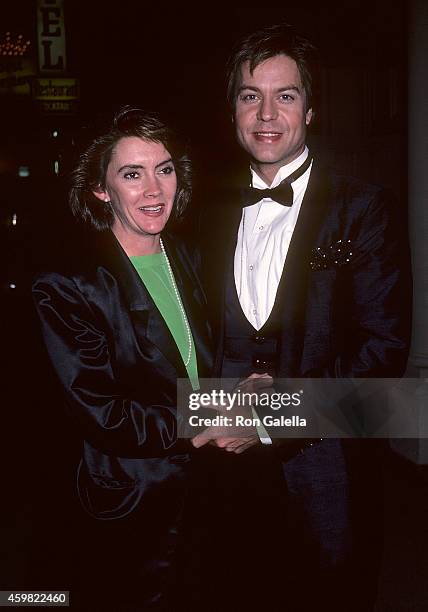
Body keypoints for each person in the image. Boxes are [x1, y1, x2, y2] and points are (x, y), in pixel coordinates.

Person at [195, 23, 412, 611]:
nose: (266, 113)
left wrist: (269, 416)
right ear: (233, 108)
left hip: (330, 478)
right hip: (225, 481)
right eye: (249, 95)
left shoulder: (364, 209)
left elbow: (382, 351)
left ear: (310, 110)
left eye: (284, 95)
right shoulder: (199, 213)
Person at [32, 106, 212, 611]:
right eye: (132, 174)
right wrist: (197, 421)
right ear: (100, 189)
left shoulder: (191, 257)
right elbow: (100, 411)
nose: (154, 190)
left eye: (165, 169)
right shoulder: (69, 285)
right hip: (132, 499)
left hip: (206, 490)